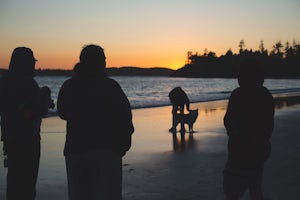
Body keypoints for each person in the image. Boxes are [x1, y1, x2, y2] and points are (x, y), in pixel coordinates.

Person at [57, 44, 134, 200]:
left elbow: (62, 113)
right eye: (104, 59)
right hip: (107, 151)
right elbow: (125, 117)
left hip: (76, 151)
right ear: (100, 62)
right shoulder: (110, 86)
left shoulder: (69, 85)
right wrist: (124, 145)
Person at [0, 47, 52, 200]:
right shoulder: (28, 84)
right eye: (31, 63)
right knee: (27, 184)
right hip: (28, 140)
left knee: (14, 181)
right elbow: (33, 112)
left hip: (10, 138)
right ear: (25, 64)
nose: (33, 66)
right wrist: (45, 103)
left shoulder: (3, 82)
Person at [223, 58, 275, 200]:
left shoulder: (238, 94)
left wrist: (235, 134)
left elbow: (228, 121)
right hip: (259, 150)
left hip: (239, 150)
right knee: (255, 187)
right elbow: (268, 126)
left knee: (232, 191)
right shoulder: (266, 95)